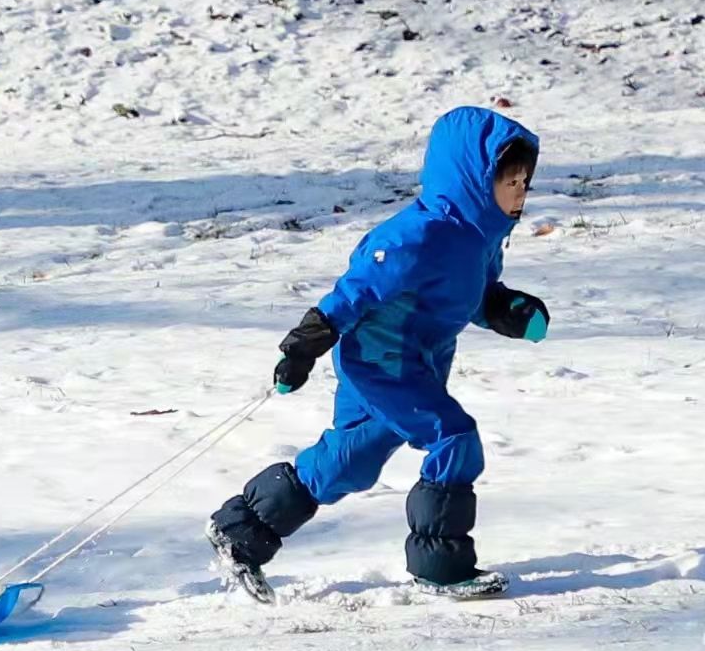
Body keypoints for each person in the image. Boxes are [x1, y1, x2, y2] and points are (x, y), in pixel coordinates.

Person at [208, 106, 549, 601]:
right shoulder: (418, 235)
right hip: (381, 360)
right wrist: (304, 348)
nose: (519, 195)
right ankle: (442, 566)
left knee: (352, 460)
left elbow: (468, 292)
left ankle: (239, 532)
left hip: (420, 359)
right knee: (453, 437)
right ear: (474, 178)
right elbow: (354, 293)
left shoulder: (482, 238)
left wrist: (506, 309)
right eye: (510, 181)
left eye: (525, 183)